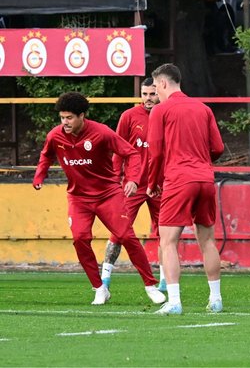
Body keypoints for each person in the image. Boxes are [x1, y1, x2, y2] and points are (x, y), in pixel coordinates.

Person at [32, 92, 166, 306]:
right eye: (62, 118)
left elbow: (131, 153)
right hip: (78, 198)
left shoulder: (101, 132)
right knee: (80, 239)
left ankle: (150, 285)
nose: (64, 122)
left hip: (107, 194)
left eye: (69, 118)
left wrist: (132, 179)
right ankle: (99, 288)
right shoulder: (55, 135)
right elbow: (46, 155)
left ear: (82, 116)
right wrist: (40, 175)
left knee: (126, 236)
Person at [147, 63, 225, 315]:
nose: (155, 93)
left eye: (156, 88)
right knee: (208, 240)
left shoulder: (160, 110)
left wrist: (152, 183)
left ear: (163, 84)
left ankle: (175, 302)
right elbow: (218, 148)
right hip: (205, 179)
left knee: (168, 242)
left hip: (179, 179)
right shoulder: (203, 109)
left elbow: (156, 152)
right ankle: (215, 299)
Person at [100, 77, 166, 292]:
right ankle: (105, 279)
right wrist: (115, 179)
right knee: (119, 230)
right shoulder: (129, 116)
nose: (148, 98)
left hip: (160, 185)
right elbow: (118, 150)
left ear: (160, 93)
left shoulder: (167, 114)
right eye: (145, 94)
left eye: (152, 93)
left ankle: (166, 280)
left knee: (165, 233)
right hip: (132, 185)